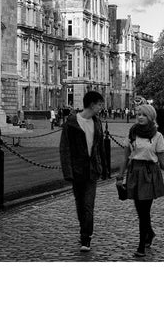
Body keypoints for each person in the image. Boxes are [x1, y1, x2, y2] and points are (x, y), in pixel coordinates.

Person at [122, 102, 164, 258]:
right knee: (141, 211)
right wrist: (119, 176)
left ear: (151, 117)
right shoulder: (132, 133)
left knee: (144, 211)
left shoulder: (157, 136)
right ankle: (149, 233)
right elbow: (125, 157)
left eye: (144, 114)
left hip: (150, 173)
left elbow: (163, 160)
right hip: (135, 172)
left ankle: (141, 246)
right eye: (138, 114)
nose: (140, 117)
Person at [59, 90, 108, 252]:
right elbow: (64, 149)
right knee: (80, 205)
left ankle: (86, 237)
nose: (102, 107)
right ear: (92, 104)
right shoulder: (71, 123)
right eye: (100, 104)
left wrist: (104, 168)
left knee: (88, 205)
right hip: (77, 170)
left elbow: (100, 147)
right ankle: (83, 231)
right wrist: (68, 172)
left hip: (92, 171)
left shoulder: (97, 122)